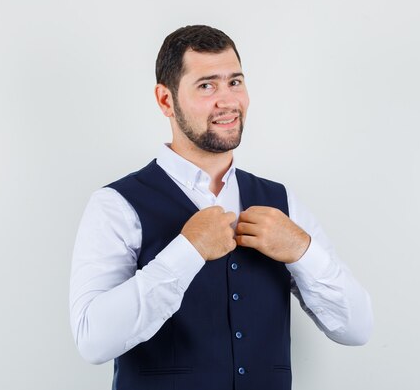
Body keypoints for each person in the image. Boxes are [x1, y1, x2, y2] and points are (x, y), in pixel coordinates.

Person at [69, 25, 373, 390]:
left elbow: (357, 329)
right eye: (206, 85)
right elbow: (92, 340)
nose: (227, 101)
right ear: (166, 100)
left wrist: (301, 251)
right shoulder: (116, 205)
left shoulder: (282, 202)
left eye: (235, 82)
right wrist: (187, 251)